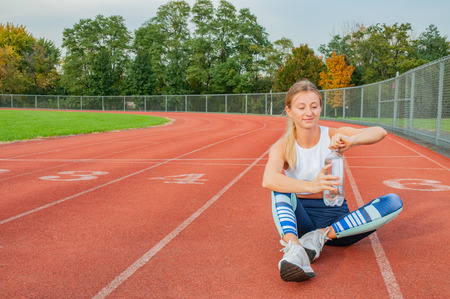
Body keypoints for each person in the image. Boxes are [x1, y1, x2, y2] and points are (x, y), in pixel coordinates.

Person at [262, 79, 403, 282]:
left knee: (393, 201)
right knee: (278, 187)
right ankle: (294, 248)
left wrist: (352, 140)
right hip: (301, 222)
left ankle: (320, 237)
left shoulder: (333, 135)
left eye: (314, 106)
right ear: (289, 111)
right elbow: (268, 179)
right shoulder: (282, 146)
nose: (308, 112)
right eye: (301, 107)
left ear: (320, 108)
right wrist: (312, 186)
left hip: (339, 226)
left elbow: (379, 132)